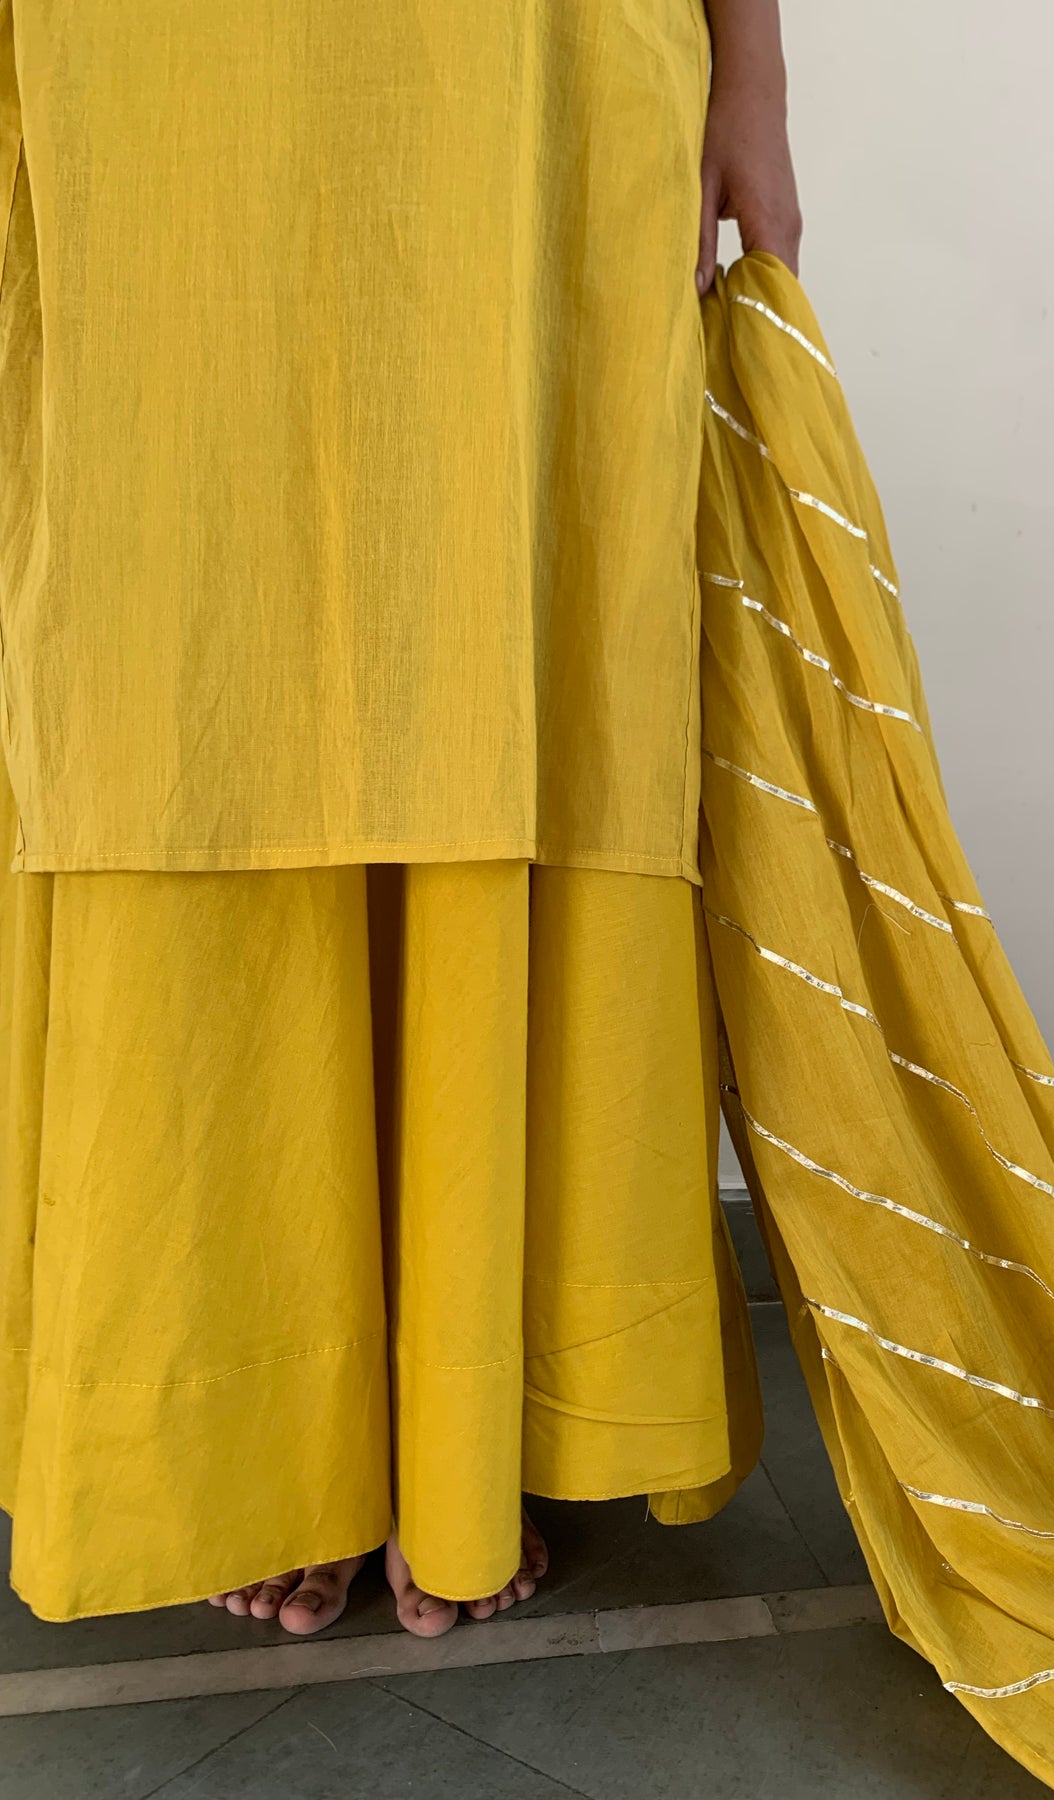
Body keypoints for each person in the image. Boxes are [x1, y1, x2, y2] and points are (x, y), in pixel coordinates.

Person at [0, 0, 794, 1637]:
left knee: (516, 639)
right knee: (170, 660)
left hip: (524, 54)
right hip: (147, 67)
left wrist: (755, 76)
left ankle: (468, 1412)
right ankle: (248, 1420)